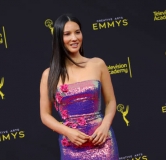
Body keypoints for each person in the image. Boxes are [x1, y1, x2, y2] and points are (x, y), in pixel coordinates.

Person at [40, 14, 119, 160]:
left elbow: (111, 102)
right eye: (67, 34)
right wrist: (68, 132)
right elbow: (45, 115)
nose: (74, 38)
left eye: (77, 32)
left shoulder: (97, 64)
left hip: (101, 141)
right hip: (71, 145)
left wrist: (105, 126)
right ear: (58, 38)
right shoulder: (49, 74)